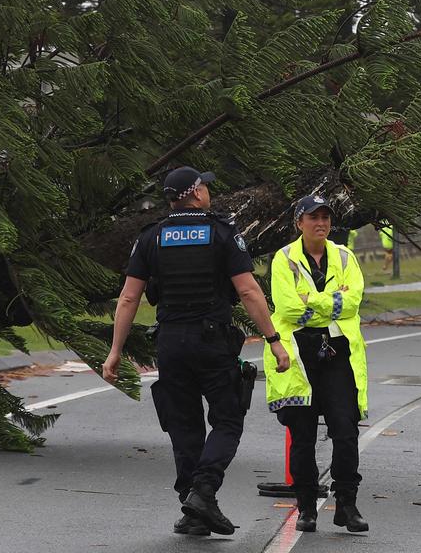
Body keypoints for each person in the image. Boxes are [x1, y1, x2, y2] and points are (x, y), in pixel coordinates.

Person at [102, 166, 291, 538]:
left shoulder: (151, 237)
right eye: (204, 185)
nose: (208, 191)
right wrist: (273, 340)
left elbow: (128, 298)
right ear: (197, 193)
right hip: (211, 342)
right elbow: (249, 291)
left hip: (170, 344)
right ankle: (203, 492)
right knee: (228, 419)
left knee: (183, 425)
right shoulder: (221, 233)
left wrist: (115, 352)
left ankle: (191, 512)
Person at [265, 194, 370, 533]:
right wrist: (328, 303)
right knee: (303, 435)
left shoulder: (344, 255)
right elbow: (288, 308)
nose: (321, 223)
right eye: (313, 217)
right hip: (298, 355)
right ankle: (307, 507)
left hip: (338, 353)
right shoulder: (283, 260)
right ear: (299, 223)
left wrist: (312, 303)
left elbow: (352, 302)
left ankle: (346, 504)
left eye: (325, 217)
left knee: (345, 430)